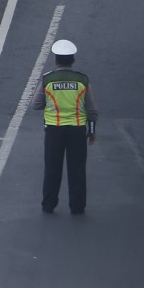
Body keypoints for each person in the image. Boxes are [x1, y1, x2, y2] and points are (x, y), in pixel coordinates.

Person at [30, 38, 98, 214]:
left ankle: (48, 205)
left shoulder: (48, 80)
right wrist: (91, 131)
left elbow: (36, 105)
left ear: (56, 60)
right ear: (72, 60)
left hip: (54, 130)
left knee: (52, 168)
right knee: (77, 170)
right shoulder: (82, 80)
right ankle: (77, 207)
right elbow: (91, 109)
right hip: (77, 130)